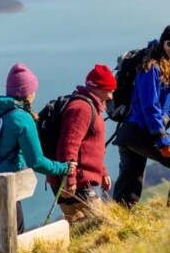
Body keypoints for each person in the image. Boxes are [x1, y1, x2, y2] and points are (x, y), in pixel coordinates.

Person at [0, 63, 76, 246]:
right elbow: (37, 162)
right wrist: (63, 168)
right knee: (14, 245)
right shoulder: (22, 119)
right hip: (2, 192)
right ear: (29, 93)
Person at [112, 24, 170, 208]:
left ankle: (113, 220)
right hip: (142, 132)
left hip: (129, 133)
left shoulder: (169, 67)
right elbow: (150, 106)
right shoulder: (152, 67)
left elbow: (168, 109)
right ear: (162, 42)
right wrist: (161, 139)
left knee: (129, 184)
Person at [46, 64, 117, 224]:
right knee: (100, 224)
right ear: (98, 88)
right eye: (109, 91)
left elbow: (89, 148)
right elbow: (68, 146)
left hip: (73, 179)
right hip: (76, 181)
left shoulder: (88, 106)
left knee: (79, 228)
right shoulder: (82, 108)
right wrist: (70, 179)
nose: (111, 96)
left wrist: (102, 172)